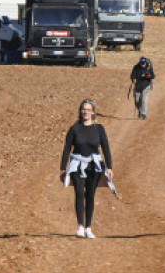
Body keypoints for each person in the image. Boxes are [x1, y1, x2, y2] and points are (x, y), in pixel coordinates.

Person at [60, 99, 113, 239]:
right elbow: (67, 149)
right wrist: (62, 168)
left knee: (90, 194)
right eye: (84, 109)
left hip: (94, 165)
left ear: (93, 112)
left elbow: (106, 148)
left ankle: (88, 228)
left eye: (89, 110)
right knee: (79, 193)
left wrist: (109, 167)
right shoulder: (74, 129)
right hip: (77, 164)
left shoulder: (99, 129)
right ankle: (80, 227)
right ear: (80, 111)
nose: (86, 112)